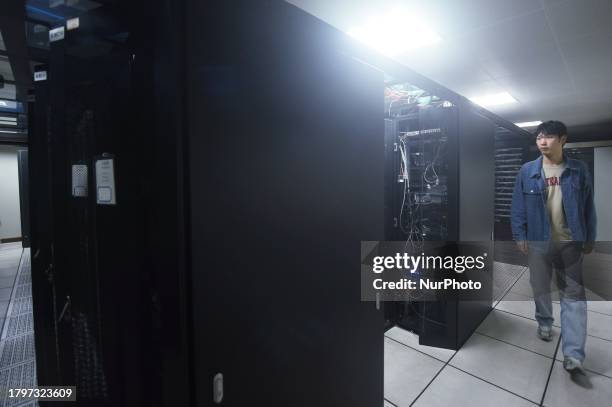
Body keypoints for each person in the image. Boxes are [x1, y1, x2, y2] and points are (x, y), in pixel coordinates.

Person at [511, 120, 596, 374]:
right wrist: (519, 234)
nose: (542, 142)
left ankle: (573, 354)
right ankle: (545, 321)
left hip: (570, 242)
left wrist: (590, 236)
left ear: (563, 140)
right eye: (539, 137)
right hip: (539, 240)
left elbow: (588, 207)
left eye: (548, 137)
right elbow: (517, 206)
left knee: (574, 296)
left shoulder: (579, 170)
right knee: (540, 286)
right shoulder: (527, 171)